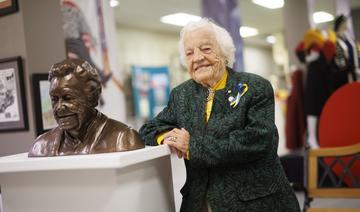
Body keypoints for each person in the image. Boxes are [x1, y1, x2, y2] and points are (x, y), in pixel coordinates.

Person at [139, 19, 300, 211]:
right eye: (189, 53)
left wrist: (192, 147)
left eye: (206, 49)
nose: (197, 58)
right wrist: (168, 136)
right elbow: (147, 129)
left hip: (254, 202)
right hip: (200, 202)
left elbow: (255, 142)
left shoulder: (255, 87)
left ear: (224, 53)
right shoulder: (181, 95)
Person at [28, 59, 144, 157]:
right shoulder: (41, 146)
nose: (59, 107)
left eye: (68, 98)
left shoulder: (124, 139)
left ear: (93, 97)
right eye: (54, 99)